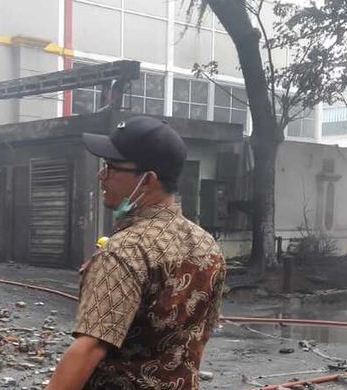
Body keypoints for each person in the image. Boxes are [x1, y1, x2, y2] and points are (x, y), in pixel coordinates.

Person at [46, 116, 227, 390]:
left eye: (111, 167)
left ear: (147, 180)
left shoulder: (125, 251)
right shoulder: (207, 246)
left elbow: (89, 348)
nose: (101, 175)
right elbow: (201, 332)